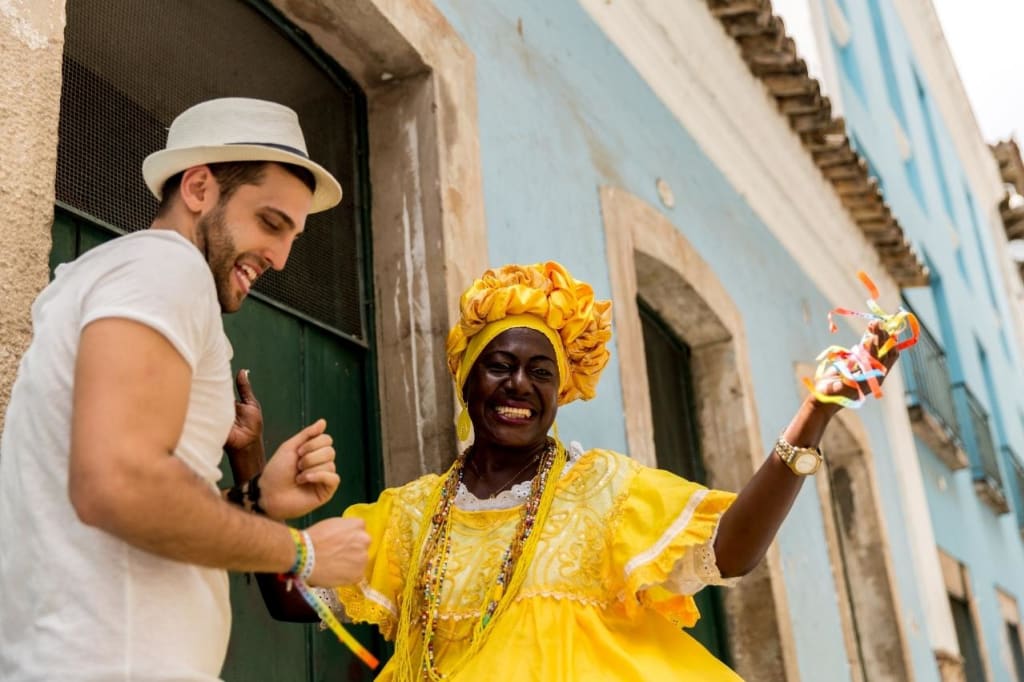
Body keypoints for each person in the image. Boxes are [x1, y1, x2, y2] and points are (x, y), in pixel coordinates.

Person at [264, 261, 900, 680]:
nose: (519, 384)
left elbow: (730, 552)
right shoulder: (410, 515)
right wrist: (257, 492)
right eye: (500, 365)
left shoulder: (606, 490)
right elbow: (291, 599)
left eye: (542, 372)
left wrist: (814, 413)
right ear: (466, 380)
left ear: (561, 393)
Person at [0, 97, 371, 681]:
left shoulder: (127, 275)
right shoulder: (163, 268)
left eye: (293, 236)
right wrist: (306, 553)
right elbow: (118, 484)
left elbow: (133, 508)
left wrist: (257, 501)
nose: (279, 256)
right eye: (271, 223)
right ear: (198, 188)